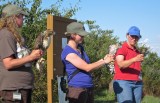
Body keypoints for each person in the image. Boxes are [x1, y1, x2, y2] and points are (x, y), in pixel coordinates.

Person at [61, 22, 114, 103]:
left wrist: (103, 59)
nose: (83, 37)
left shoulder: (80, 48)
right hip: (77, 90)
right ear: (72, 35)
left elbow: (89, 65)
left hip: (88, 88)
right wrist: (104, 62)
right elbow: (87, 68)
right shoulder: (68, 52)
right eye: (81, 35)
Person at [0, 4, 43, 103]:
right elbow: (8, 63)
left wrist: (34, 56)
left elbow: (21, 59)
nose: (23, 18)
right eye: (21, 16)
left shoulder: (15, 35)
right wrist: (31, 57)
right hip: (14, 89)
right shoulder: (6, 34)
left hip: (21, 87)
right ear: (14, 17)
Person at [113, 26, 144, 103]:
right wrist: (135, 59)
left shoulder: (137, 51)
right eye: (132, 36)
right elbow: (120, 64)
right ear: (127, 35)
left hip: (137, 83)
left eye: (136, 37)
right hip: (124, 82)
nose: (134, 38)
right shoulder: (122, 49)